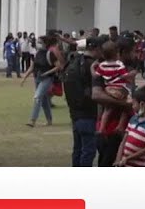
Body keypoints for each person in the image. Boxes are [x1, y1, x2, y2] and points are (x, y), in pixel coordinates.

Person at [62, 37, 100, 167]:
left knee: (78, 149)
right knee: (88, 151)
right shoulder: (92, 66)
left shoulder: (75, 62)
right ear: (96, 49)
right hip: (88, 112)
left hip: (75, 112)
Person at [115, 87, 145, 167]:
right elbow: (123, 141)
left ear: (142, 104)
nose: (132, 106)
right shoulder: (133, 119)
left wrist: (127, 158)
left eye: (134, 104)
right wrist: (118, 159)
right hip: (125, 163)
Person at [21, 35, 58, 126]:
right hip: (37, 78)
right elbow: (32, 67)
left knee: (37, 97)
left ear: (45, 43)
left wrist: (47, 73)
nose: (38, 44)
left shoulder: (50, 54)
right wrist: (24, 78)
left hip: (47, 78)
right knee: (44, 100)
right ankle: (49, 120)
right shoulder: (38, 53)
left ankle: (32, 120)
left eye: (40, 42)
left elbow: (58, 66)